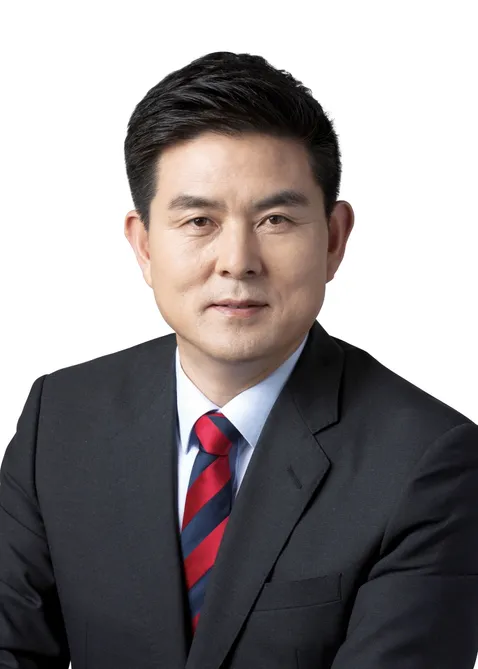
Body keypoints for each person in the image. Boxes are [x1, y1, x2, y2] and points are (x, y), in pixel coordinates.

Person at [1, 50, 477, 669]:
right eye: (199, 220)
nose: (237, 261)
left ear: (333, 240)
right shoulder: (61, 417)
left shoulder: (429, 462)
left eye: (275, 219)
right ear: (144, 246)